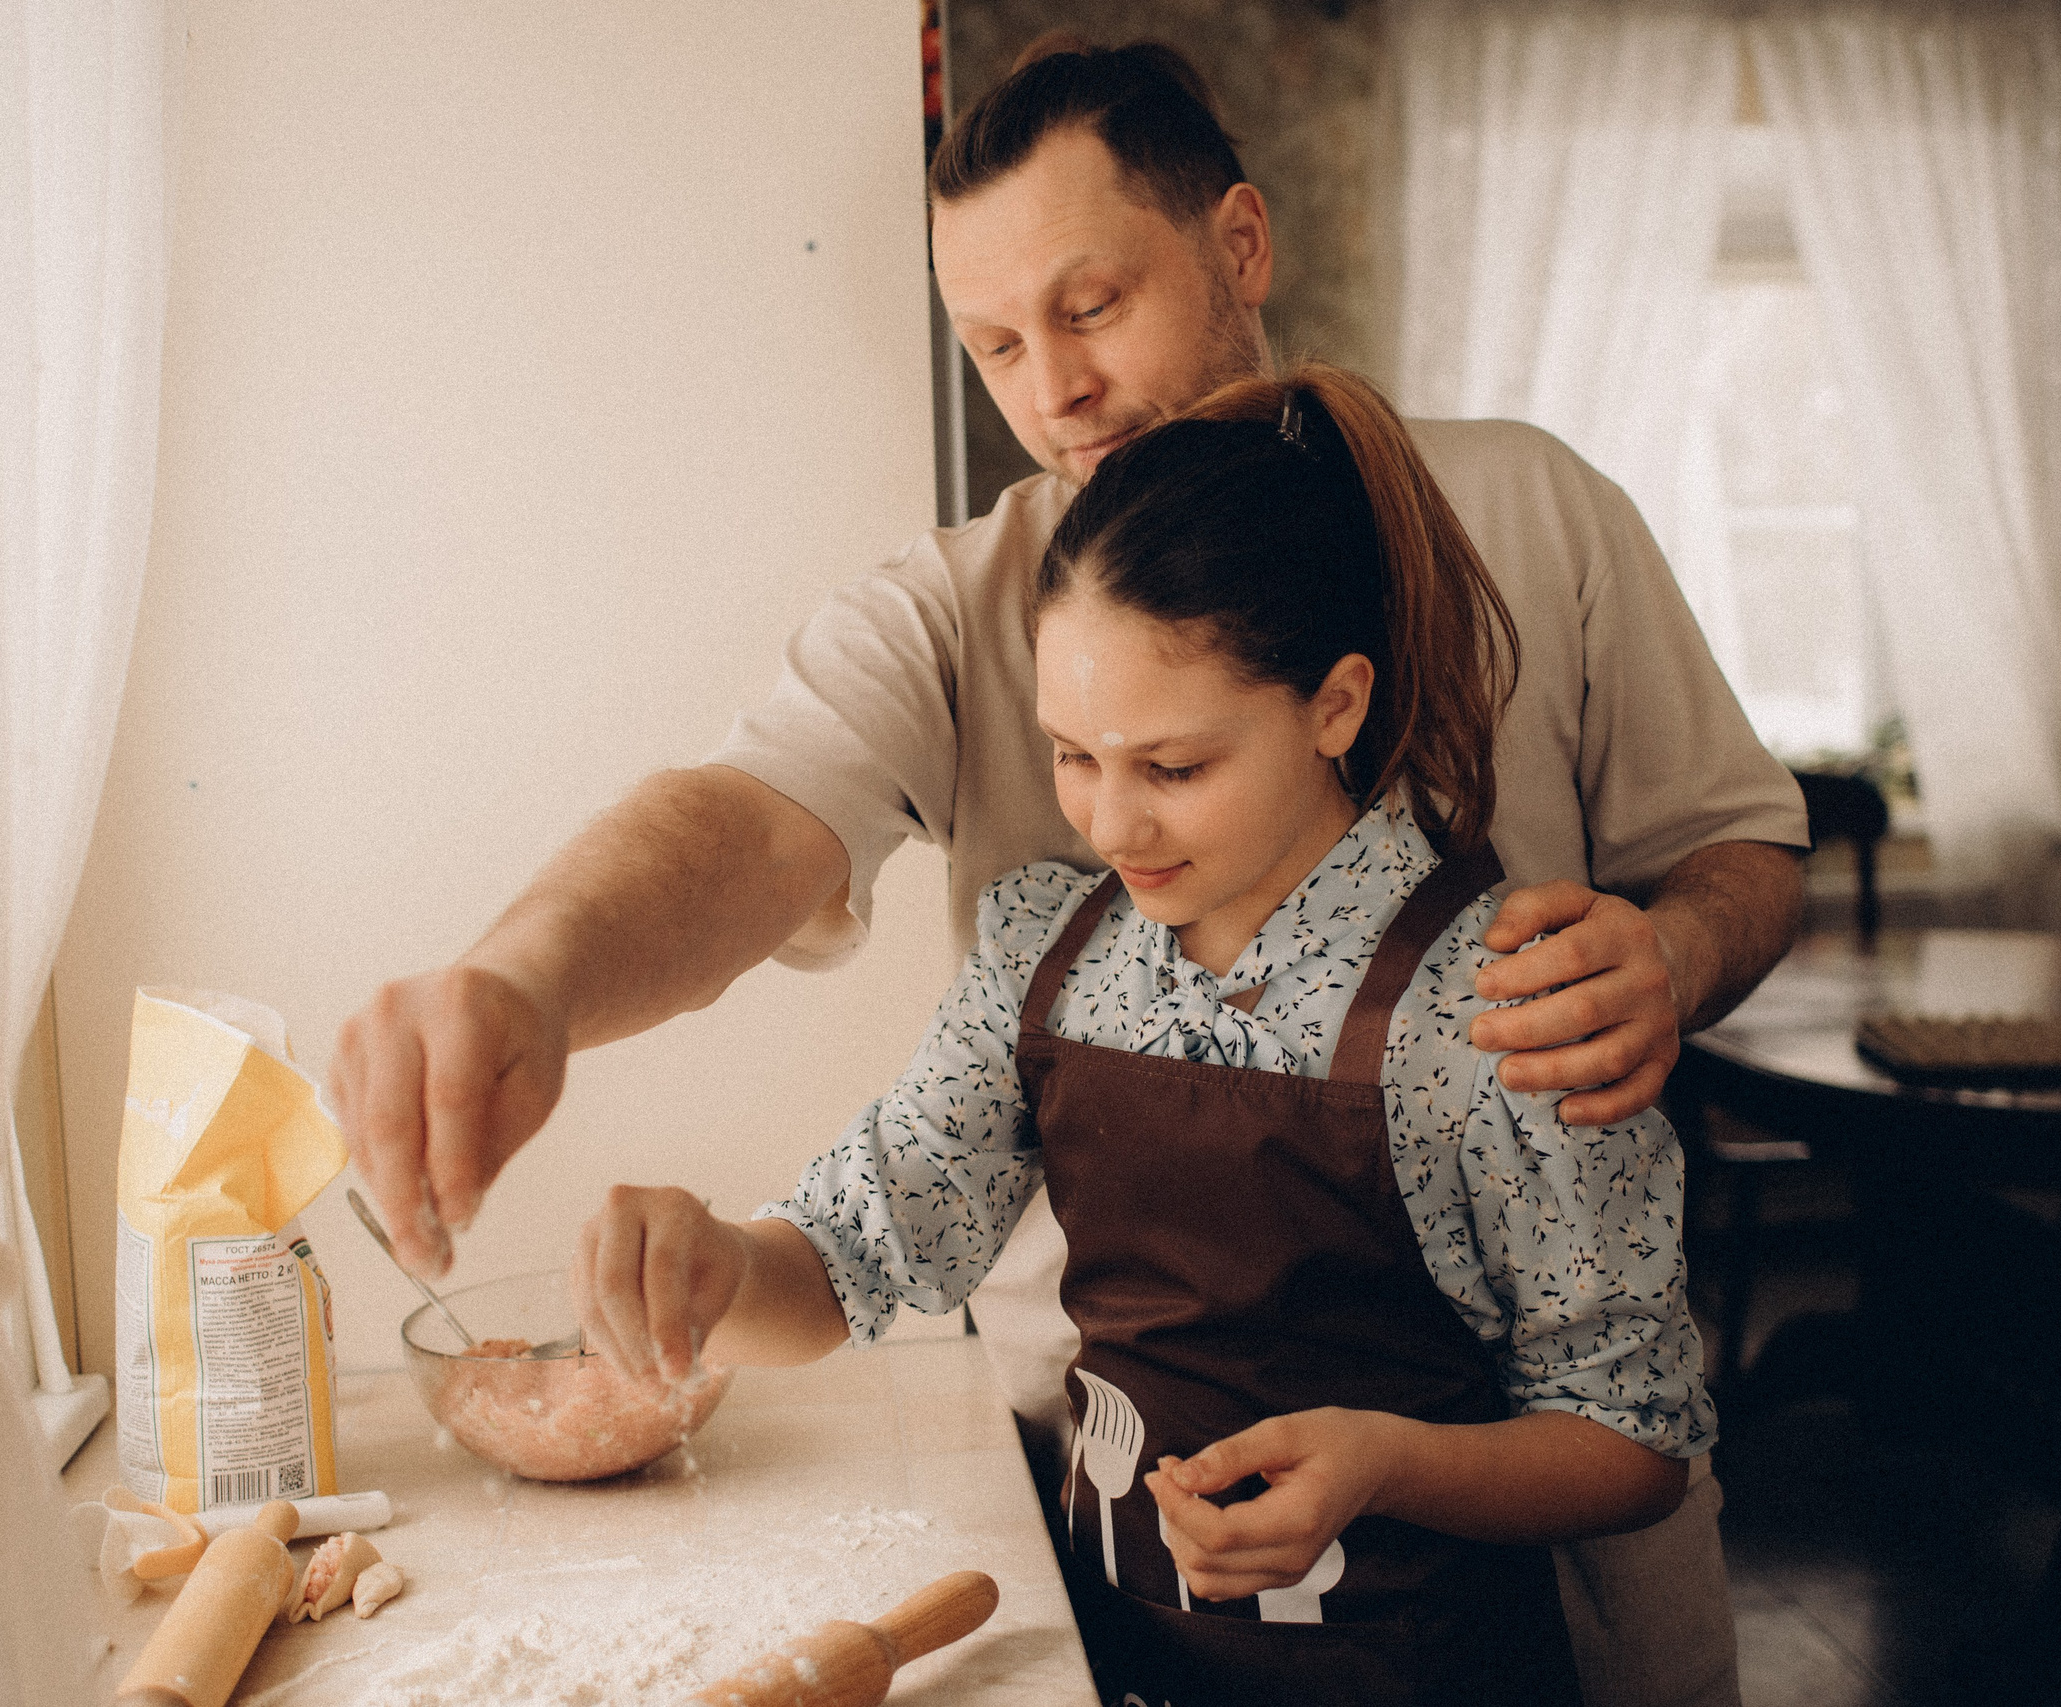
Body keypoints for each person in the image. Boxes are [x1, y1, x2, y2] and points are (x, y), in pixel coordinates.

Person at [332, 38, 1804, 1707]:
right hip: (1126, 1547)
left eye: (1090, 308)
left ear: (1238, 250)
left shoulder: (1536, 527)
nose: (1053, 391)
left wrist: (1665, 963)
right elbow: (747, 833)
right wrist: (535, 982)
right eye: (995, 346)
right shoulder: (991, 701)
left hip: (1517, 1610)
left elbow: (1733, 859)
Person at [570, 362, 1713, 1707]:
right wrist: (709, 1270)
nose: (1113, 827)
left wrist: (1384, 1461)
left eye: (1174, 768)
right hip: (1124, 1666)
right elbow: (852, 1257)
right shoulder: (1046, 961)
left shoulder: (1504, 1004)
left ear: (1335, 706)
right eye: (1074, 755)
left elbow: (1633, 1440)